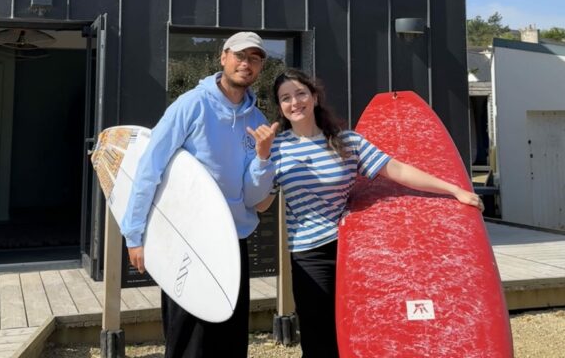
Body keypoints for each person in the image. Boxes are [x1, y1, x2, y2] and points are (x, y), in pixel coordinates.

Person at [256, 68, 484, 358]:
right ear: (280, 108)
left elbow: (397, 170)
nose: (294, 102)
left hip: (355, 250)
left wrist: (454, 190)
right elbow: (262, 204)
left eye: (300, 93)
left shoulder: (346, 142)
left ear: (314, 97)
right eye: (285, 98)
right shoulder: (277, 149)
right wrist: (261, 157)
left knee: (365, 329)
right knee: (319, 336)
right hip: (309, 254)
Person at [120, 31, 279, 358]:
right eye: (239, 55)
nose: (245, 64)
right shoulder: (191, 105)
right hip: (187, 242)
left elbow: (252, 197)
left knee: (230, 342)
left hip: (232, 244)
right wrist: (134, 234)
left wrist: (263, 157)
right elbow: (150, 166)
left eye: (254, 58)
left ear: (261, 67)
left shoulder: (258, 120)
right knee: (189, 344)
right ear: (223, 57)